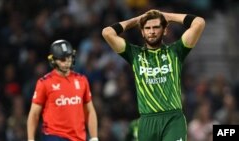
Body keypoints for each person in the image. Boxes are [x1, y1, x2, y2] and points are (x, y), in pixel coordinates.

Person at [102, 9, 205, 141]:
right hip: (147, 121)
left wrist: (168, 16)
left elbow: (199, 22)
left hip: (173, 119)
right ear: (142, 32)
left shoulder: (176, 51)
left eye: (156, 27)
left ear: (165, 30)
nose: (152, 31)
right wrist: (137, 20)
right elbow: (107, 32)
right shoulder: (134, 55)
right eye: (147, 28)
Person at [27, 39, 98, 141]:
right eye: (62, 59)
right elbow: (34, 114)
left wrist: (94, 137)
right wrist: (30, 139)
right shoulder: (44, 83)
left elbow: (90, 111)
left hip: (79, 137)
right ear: (53, 60)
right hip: (53, 136)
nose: (67, 62)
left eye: (68, 57)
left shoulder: (82, 80)